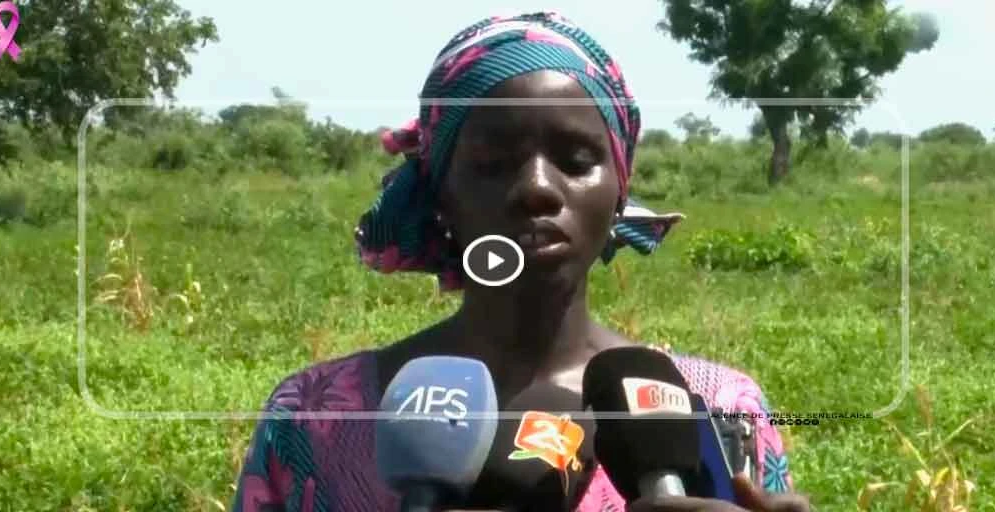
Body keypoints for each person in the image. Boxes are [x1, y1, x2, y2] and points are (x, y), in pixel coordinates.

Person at [231, 11, 809, 512]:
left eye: (577, 160)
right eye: (492, 163)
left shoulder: (723, 409)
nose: (535, 189)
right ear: (440, 198)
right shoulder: (313, 418)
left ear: (618, 192)